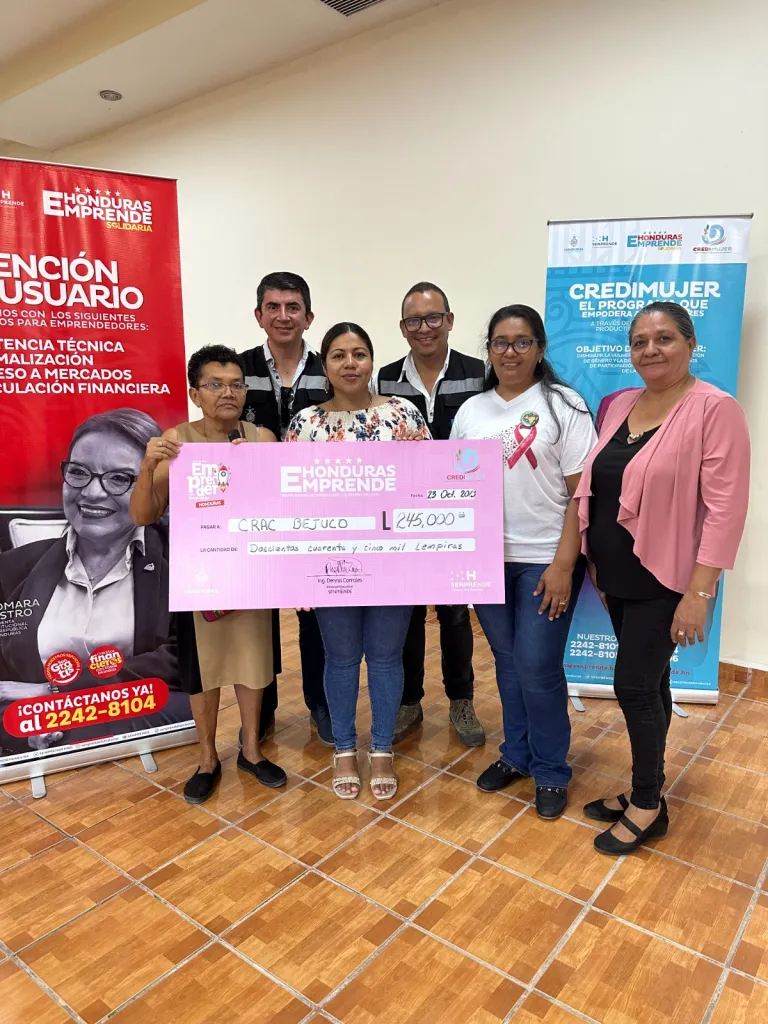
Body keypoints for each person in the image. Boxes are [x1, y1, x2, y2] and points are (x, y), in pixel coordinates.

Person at [575, 302, 750, 854]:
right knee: (650, 683)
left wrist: (699, 592)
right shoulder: (621, 404)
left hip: (668, 580)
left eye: (664, 338)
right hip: (616, 575)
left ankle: (648, 804)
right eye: (639, 341)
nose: (650, 349)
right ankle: (643, 789)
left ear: (690, 344)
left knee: (632, 685)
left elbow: (725, 510)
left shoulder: (715, 409)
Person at [451, 304, 596, 820]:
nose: (510, 352)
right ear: (488, 350)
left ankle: (552, 768)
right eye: (500, 342)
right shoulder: (471, 411)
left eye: (522, 342)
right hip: (487, 562)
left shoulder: (564, 405)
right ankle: (517, 754)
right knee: (509, 664)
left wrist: (564, 565)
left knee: (537, 667)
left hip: (545, 560)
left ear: (539, 348)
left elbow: (582, 495)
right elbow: (452, 489)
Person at [130, 345, 286, 804]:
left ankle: (251, 750)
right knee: (204, 670)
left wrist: (255, 471)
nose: (228, 393)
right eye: (215, 384)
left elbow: (282, 508)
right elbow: (142, 515)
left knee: (253, 662)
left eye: (237, 384)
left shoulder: (261, 440)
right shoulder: (176, 443)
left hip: (251, 571)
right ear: (195, 393)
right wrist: (147, 466)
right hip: (200, 577)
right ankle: (206, 758)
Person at [286, 322, 430, 800]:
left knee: (387, 659)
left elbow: (430, 485)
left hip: (395, 562)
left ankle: (382, 747)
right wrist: (297, 574)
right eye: (338, 355)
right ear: (324, 365)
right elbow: (288, 502)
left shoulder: (403, 414)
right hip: (330, 565)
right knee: (342, 658)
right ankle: (345, 748)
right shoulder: (305, 424)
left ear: (371, 360)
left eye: (359, 353)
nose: (350, 363)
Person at [0, 408, 189, 756]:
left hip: (153, 746)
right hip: (36, 756)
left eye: (119, 478)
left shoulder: (184, 559)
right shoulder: (11, 569)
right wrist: (26, 729)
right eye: (78, 472)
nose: (92, 492)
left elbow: (186, 659)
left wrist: (56, 694)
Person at [377, 282, 486, 747]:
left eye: (433, 317)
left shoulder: (479, 372)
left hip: (459, 515)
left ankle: (462, 699)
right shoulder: (383, 378)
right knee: (407, 614)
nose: (425, 328)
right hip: (404, 516)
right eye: (414, 320)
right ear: (403, 328)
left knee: (455, 614)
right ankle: (409, 701)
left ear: (450, 321)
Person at [240, 271, 333, 745]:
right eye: (273, 307)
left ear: (308, 316)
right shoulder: (237, 369)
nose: (283, 316)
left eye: (292, 307)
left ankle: (321, 704)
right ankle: (263, 710)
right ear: (259, 315)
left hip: (313, 512)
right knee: (258, 617)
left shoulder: (330, 368)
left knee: (314, 614)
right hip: (252, 511)